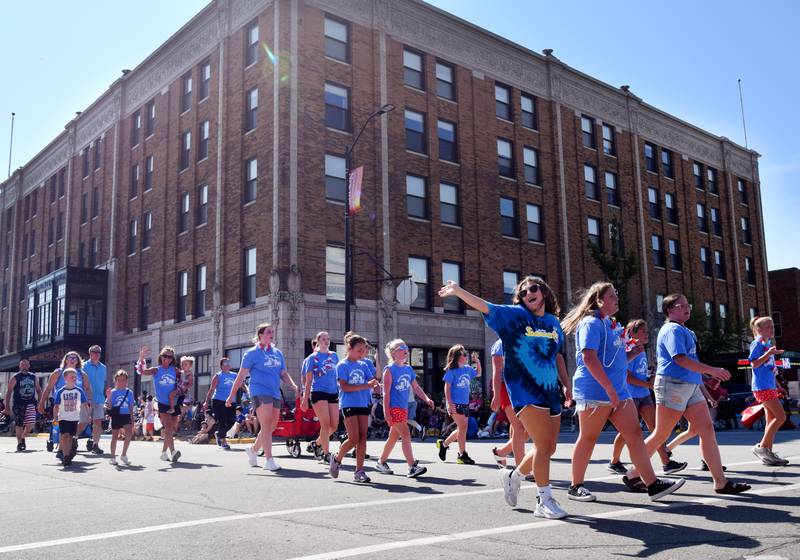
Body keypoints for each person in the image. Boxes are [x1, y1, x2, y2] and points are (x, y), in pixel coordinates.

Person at [439, 276, 573, 519]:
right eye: (523, 292)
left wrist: (567, 385)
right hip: (524, 390)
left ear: (543, 292)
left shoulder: (554, 323)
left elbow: (559, 357)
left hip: (550, 390)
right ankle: (544, 500)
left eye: (533, 288)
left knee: (549, 447)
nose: (528, 293)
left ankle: (514, 476)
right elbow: (485, 306)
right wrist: (459, 291)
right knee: (542, 446)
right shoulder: (515, 316)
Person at [562, 282, 685, 503]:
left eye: (616, 294)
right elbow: (589, 358)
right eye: (612, 295)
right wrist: (608, 388)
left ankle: (652, 484)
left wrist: (630, 355)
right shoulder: (591, 323)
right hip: (595, 390)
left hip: (618, 390)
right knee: (588, 438)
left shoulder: (610, 324)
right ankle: (575, 486)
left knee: (635, 435)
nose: (616, 298)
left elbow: (611, 359)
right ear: (599, 300)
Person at [625, 293, 750, 495]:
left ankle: (720, 482)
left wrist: (705, 380)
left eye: (687, 304)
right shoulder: (671, 329)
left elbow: (690, 364)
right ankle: (632, 473)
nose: (686, 307)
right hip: (672, 385)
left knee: (707, 431)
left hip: (691, 386)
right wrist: (712, 370)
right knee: (661, 434)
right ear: (668, 311)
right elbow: (680, 359)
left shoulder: (687, 331)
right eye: (679, 305)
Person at [607, 320, 687, 476]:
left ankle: (667, 463)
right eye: (643, 331)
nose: (646, 334)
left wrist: (648, 379)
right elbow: (627, 376)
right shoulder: (630, 349)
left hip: (643, 395)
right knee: (627, 431)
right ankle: (614, 461)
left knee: (656, 429)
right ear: (633, 332)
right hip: (630, 394)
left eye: (647, 331)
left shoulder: (641, 350)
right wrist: (647, 384)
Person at [226, 322, 299, 471]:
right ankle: (269, 460)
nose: (271, 334)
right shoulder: (252, 353)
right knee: (266, 425)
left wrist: (293, 385)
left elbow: (283, 373)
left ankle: (253, 450)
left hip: (274, 392)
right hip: (259, 391)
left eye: (272, 332)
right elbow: (241, 376)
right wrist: (230, 396)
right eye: (268, 332)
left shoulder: (277, 353)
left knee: (271, 426)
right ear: (260, 335)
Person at [375, 339, 434, 478]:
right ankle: (412, 466)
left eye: (406, 346)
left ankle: (381, 462)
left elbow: (416, 387)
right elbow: (386, 393)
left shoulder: (408, 369)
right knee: (406, 434)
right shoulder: (389, 370)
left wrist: (426, 398)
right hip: (394, 408)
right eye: (401, 347)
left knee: (393, 437)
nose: (405, 349)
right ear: (393, 353)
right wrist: (386, 413)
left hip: (404, 408)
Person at [329, 332, 380, 483]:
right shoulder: (342, 365)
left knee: (363, 437)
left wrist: (377, 386)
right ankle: (337, 458)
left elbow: (372, 379)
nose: (362, 353)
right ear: (349, 348)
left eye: (364, 350)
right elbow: (345, 387)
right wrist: (367, 385)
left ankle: (359, 471)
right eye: (359, 350)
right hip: (348, 404)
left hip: (363, 403)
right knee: (353, 438)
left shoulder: (363, 365)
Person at [748, 316, 790, 466]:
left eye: (772, 326)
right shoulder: (757, 343)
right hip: (762, 387)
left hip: (768, 386)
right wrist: (768, 354)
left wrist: (777, 385)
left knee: (770, 420)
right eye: (768, 327)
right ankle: (762, 447)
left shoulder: (767, 343)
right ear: (759, 330)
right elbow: (753, 363)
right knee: (781, 417)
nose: (772, 329)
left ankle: (768, 454)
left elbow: (768, 368)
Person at [39, 352, 93, 459]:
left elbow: (87, 389)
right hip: (62, 404)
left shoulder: (82, 374)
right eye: (70, 358)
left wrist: (89, 401)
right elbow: (48, 388)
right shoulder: (58, 372)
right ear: (66, 360)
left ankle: (73, 439)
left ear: (78, 361)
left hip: (78, 404)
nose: (72, 360)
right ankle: (61, 450)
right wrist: (41, 403)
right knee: (62, 427)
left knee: (84, 421)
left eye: (75, 358)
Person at [436, 345, 482, 465]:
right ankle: (462, 455)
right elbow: (447, 387)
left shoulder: (467, 369)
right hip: (455, 403)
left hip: (465, 403)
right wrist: (449, 403)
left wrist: (477, 361)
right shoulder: (452, 371)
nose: (466, 356)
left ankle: (444, 444)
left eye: (466, 354)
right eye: (464, 355)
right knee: (462, 428)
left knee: (462, 428)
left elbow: (478, 373)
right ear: (457, 357)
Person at [488, 340, 530, 471]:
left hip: (524, 387)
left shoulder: (523, 340)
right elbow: (496, 371)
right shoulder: (499, 345)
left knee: (529, 429)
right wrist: (496, 395)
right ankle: (521, 468)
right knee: (519, 427)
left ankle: (501, 452)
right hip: (506, 388)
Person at [300, 331, 340, 463]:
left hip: (333, 392)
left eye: (328, 339)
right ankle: (326, 453)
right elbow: (308, 380)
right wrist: (305, 399)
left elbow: (338, 376)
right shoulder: (312, 358)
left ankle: (316, 444)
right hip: (318, 392)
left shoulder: (334, 356)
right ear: (318, 341)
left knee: (333, 426)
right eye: (323, 339)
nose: (326, 341)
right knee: (325, 423)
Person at [137, 346, 182, 462]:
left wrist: (178, 390)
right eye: (165, 356)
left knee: (171, 428)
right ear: (161, 357)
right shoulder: (156, 370)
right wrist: (142, 358)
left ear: (172, 359)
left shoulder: (175, 370)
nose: (167, 358)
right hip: (162, 403)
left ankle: (163, 453)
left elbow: (182, 383)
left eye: (170, 357)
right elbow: (142, 372)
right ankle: (173, 451)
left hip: (174, 402)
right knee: (168, 427)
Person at [53, 368, 90, 467]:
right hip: (63, 418)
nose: (74, 378)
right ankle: (65, 456)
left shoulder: (79, 391)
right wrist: (54, 417)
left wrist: (88, 415)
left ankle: (68, 454)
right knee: (65, 436)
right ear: (65, 378)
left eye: (75, 377)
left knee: (70, 437)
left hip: (74, 418)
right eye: (72, 377)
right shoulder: (61, 392)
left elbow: (85, 404)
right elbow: (56, 406)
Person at [4, 359, 42, 452]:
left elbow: (38, 390)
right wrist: (7, 407)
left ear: (29, 366)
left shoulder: (33, 377)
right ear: (20, 366)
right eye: (22, 364)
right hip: (18, 404)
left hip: (31, 403)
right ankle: (19, 443)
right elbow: (8, 392)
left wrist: (41, 403)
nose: (24, 366)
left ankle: (23, 437)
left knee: (31, 424)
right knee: (19, 424)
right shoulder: (15, 377)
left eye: (26, 364)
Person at [204, 357, 238, 450]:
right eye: (225, 363)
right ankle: (223, 441)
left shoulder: (234, 375)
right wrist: (206, 402)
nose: (227, 364)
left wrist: (247, 391)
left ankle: (219, 434)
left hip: (231, 401)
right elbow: (211, 390)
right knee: (222, 421)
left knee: (232, 421)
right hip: (218, 401)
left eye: (229, 362)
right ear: (221, 366)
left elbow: (241, 384)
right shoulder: (218, 376)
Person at [106, 370, 134, 466]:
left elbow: (131, 406)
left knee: (129, 433)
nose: (121, 382)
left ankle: (124, 454)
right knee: (115, 436)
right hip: (116, 415)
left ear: (126, 381)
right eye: (119, 380)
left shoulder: (129, 392)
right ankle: (112, 457)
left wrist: (132, 419)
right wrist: (109, 396)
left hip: (126, 415)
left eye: (123, 380)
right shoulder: (113, 392)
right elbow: (109, 406)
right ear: (115, 381)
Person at [83, 345, 108, 454]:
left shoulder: (103, 367)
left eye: (99, 352)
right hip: (87, 399)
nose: (97, 354)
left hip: (99, 399)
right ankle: (72, 440)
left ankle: (95, 444)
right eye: (94, 352)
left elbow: (103, 382)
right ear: (90, 353)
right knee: (83, 422)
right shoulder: (84, 366)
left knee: (97, 422)